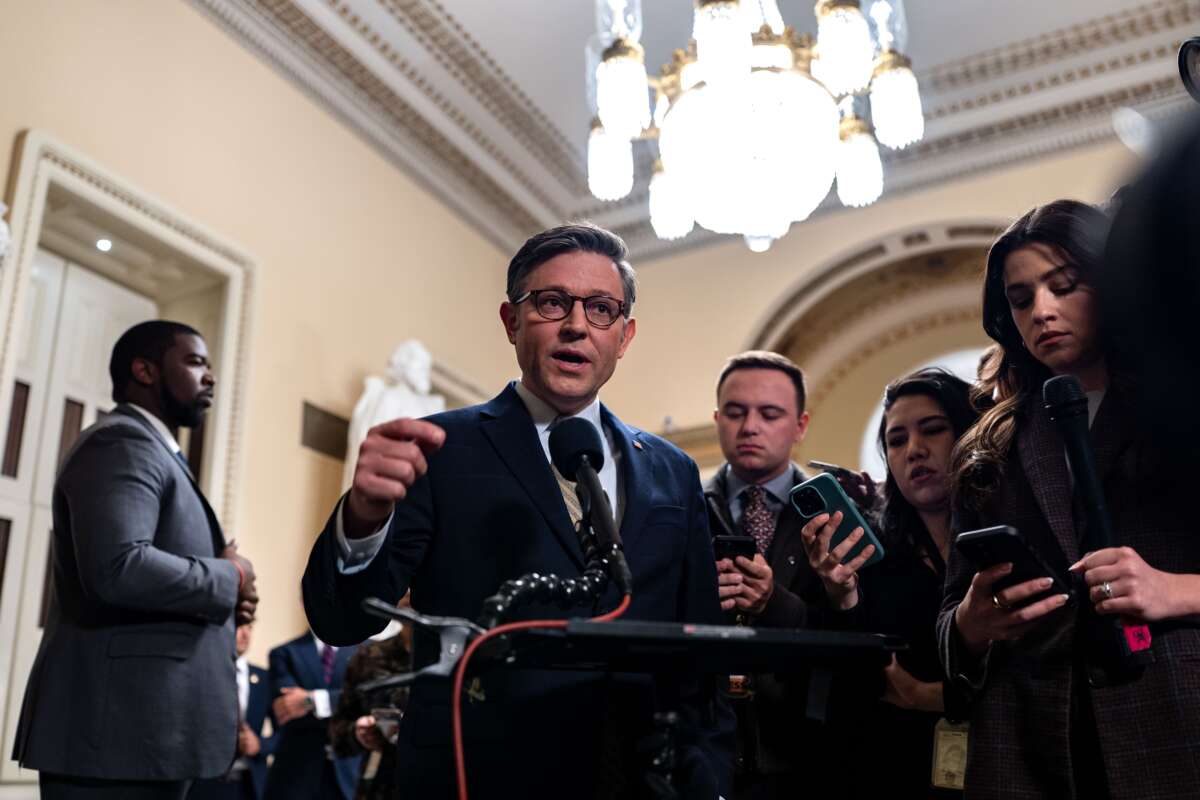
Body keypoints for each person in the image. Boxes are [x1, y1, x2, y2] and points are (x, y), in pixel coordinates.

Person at [302, 222, 733, 799]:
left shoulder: (672, 469)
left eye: (601, 309)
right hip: (480, 773)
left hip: (640, 776)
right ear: (511, 321)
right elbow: (342, 621)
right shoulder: (439, 447)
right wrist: (362, 519)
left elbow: (700, 647)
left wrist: (710, 772)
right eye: (553, 302)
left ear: (624, 335)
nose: (577, 325)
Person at [936, 199, 1200, 798]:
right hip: (1031, 743)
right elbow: (950, 613)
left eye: (1064, 286)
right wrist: (971, 626)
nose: (1043, 311)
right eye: (1021, 298)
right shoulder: (988, 445)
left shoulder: (1183, 403)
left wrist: (1175, 589)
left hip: (1176, 723)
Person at [12, 320, 258, 800]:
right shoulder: (121, 442)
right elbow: (119, 567)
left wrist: (230, 601)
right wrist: (230, 574)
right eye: (195, 361)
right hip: (115, 737)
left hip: (147, 735)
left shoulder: (160, 453)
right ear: (144, 370)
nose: (210, 377)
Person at [703, 351, 872, 799]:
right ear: (718, 419)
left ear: (800, 425)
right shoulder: (682, 507)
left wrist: (773, 602)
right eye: (736, 413)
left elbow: (858, 643)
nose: (750, 427)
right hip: (704, 746)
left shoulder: (842, 516)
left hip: (807, 753)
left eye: (770, 414)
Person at [845, 368, 979, 799]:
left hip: (1011, 758)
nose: (914, 451)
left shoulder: (1014, 528)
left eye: (933, 430)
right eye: (896, 440)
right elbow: (861, 683)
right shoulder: (871, 553)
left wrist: (927, 696)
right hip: (899, 767)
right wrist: (841, 596)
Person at [262, 632, 361, 800]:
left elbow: (366, 698)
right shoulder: (284, 652)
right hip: (295, 774)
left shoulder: (366, 650)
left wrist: (313, 700)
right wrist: (342, 702)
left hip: (349, 774)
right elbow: (287, 706)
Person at [329, 607, 412, 800]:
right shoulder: (369, 657)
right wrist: (358, 733)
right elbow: (338, 733)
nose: (409, 592)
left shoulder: (460, 657)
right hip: (380, 785)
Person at [189, 624, 275, 800]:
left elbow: (286, 732)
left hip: (250, 785)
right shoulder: (201, 674)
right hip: (206, 784)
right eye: (239, 626)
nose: (245, 634)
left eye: (250, 627)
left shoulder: (265, 677)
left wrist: (260, 745)